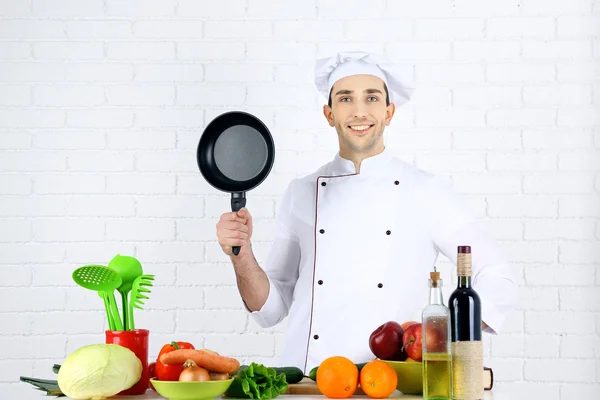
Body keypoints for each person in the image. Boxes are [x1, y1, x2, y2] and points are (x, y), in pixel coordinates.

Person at [216, 51, 518, 374]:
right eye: (345, 99)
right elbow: (270, 309)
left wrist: (442, 337)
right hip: (303, 383)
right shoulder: (301, 193)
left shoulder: (426, 192)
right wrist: (241, 255)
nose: (359, 111)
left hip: (384, 384)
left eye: (371, 98)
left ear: (389, 112)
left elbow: (498, 275)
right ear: (328, 114)